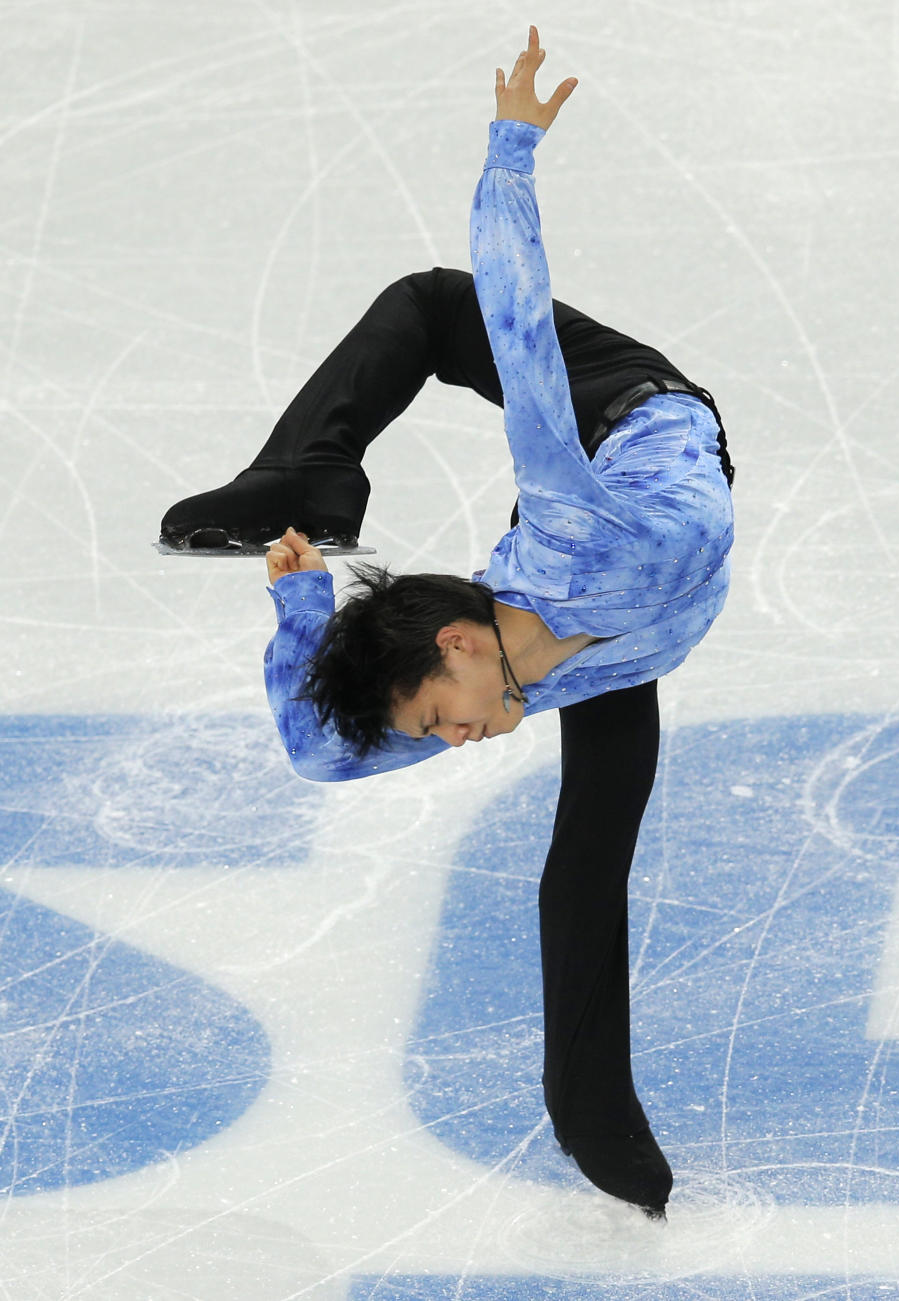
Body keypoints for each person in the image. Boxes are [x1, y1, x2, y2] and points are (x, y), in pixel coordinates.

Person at [160, 26, 734, 1220]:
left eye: (434, 715)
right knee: (587, 859)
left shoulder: (578, 533)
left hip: (617, 411)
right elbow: (324, 752)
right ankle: (593, 1112)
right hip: (577, 625)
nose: (448, 744)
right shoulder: (497, 684)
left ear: (458, 646)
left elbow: (518, 332)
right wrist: (300, 600)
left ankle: (311, 471)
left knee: (436, 307)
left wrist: (512, 150)